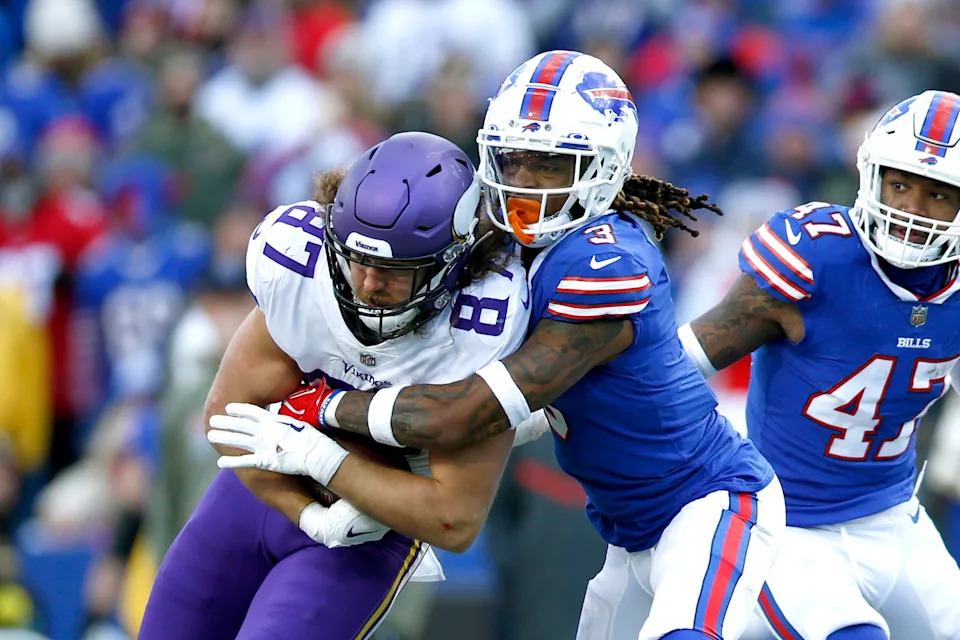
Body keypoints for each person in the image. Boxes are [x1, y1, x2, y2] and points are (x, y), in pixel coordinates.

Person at [211, 50, 786, 640]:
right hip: (628, 528)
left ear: (604, 168)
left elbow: (464, 411)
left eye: (550, 165)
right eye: (513, 160)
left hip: (709, 502)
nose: (523, 184)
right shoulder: (505, 249)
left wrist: (317, 422)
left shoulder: (605, 263)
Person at [140, 131, 536, 640]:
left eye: (394, 270)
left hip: (363, 537)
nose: (368, 283)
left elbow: (454, 519)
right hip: (255, 498)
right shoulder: (300, 271)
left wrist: (324, 460)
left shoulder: (480, 327)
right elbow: (225, 416)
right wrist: (308, 513)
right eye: (358, 259)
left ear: (450, 261)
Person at [676, 90, 960, 639]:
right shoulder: (818, 257)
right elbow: (686, 357)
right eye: (899, 185)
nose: (911, 210)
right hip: (787, 526)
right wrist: (546, 407)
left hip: (896, 519)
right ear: (871, 176)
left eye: (938, 194)